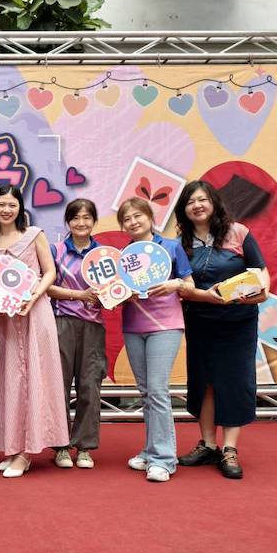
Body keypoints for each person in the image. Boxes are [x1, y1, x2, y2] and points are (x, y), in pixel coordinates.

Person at [175, 181, 270, 479]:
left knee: (234, 382)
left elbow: (260, 271)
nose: (197, 205)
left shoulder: (238, 232)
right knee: (203, 382)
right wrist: (201, 296)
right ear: (183, 209)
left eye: (202, 199)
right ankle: (208, 445)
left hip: (238, 322)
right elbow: (181, 286)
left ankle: (229, 449)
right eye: (190, 202)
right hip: (199, 321)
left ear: (214, 203)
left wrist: (262, 292)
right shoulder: (180, 244)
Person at [0, 185, 68, 478]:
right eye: (1, 204)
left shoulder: (33, 235)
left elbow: (50, 272)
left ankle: (26, 453)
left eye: (12, 204)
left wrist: (34, 296)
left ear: (20, 207)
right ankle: (13, 446)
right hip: (5, 320)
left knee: (34, 377)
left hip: (35, 314)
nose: (6, 210)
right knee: (9, 381)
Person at [117, 197, 193, 483]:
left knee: (158, 391)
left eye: (138, 215)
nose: (133, 222)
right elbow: (116, 294)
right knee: (146, 391)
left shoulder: (171, 247)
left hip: (165, 326)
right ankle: (151, 451)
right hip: (133, 327)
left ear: (150, 217)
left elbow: (189, 285)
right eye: (127, 219)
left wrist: (175, 283)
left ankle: (164, 459)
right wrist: (119, 295)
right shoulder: (123, 255)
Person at [47, 198, 106, 470]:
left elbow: (114, 290)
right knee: (58, 384)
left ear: (94, 221)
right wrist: (79, 295)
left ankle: (84, 447)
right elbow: (47, 287)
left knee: (89, 385)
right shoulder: (56, 250)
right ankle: (60, 446)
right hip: (62, 322)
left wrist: (112, 295)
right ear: (68, 222)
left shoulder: (104, 255)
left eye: (87, 217)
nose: (81, 223)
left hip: (93, 326)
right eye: (75, 218)